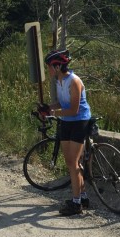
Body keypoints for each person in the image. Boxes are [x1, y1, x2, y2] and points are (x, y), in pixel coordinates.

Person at [40, 48, 92, 216]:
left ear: (57, 66)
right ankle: (83, 197)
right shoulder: (58, 81)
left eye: (49, 66)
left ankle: (76, 203)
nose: (48, 69)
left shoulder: (74, 81)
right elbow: (61, 104)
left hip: (79, 121)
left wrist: (53, 113)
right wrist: (48, 107)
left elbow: (74, 110)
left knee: (73, 163)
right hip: (66, 122)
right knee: (71, 162)